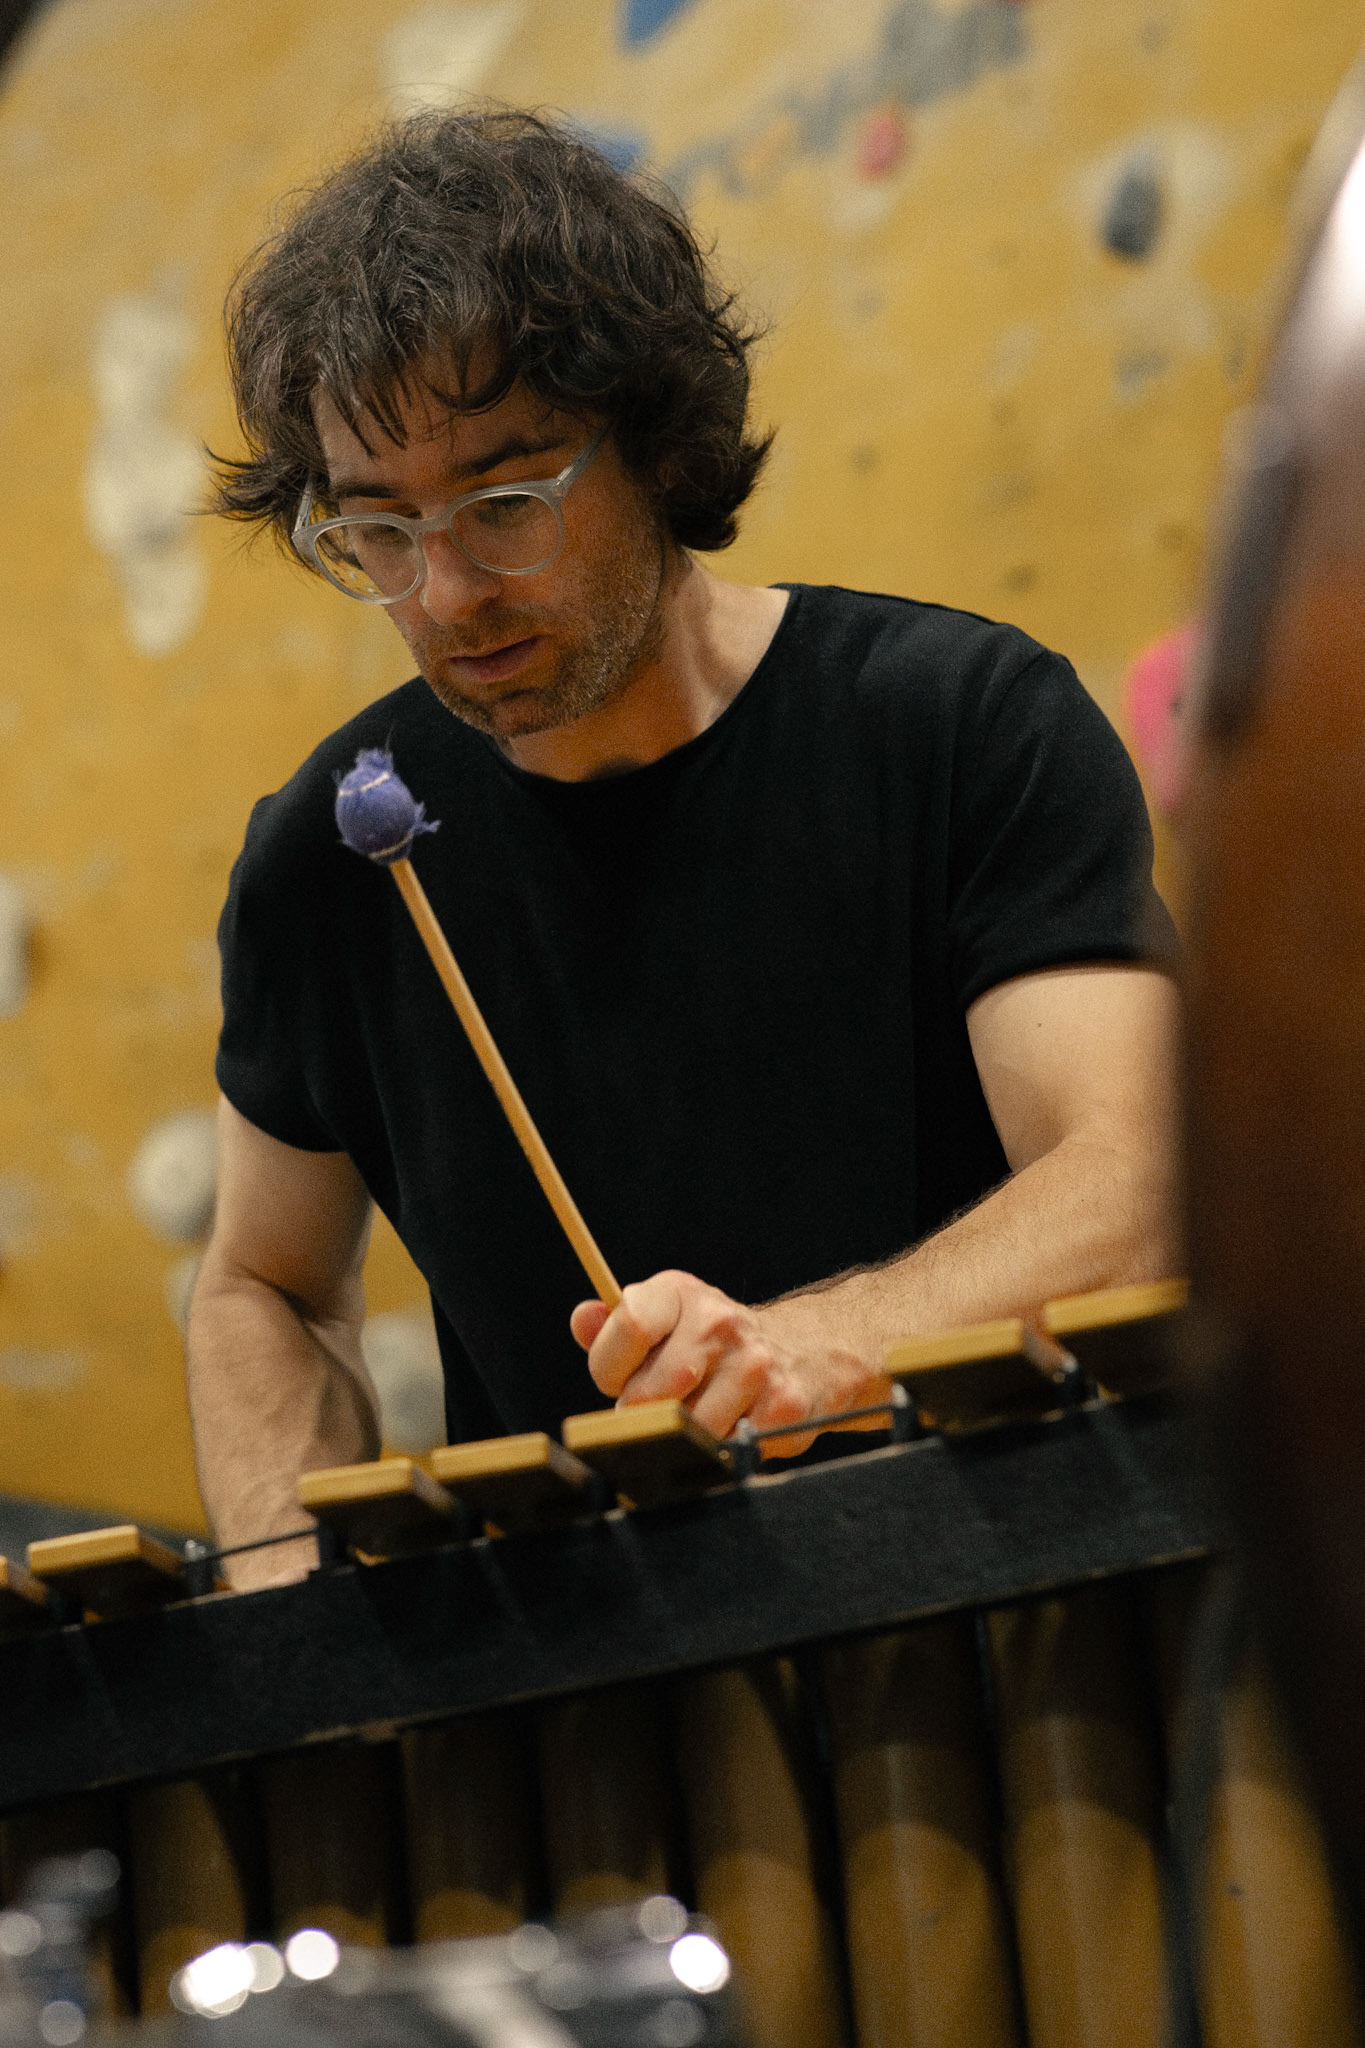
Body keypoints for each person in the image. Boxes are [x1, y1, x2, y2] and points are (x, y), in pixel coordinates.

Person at [189, 110, 1179, 1589]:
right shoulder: (332, 861)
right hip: (608, 1688)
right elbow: (260, 1283)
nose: (446, 591)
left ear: (652, 439)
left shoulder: (956, 727)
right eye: (377, 530)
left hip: (1024, 1614)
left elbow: (1143, 1172)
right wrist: (287, 1622)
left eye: (505, 502)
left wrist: (826, 1341)